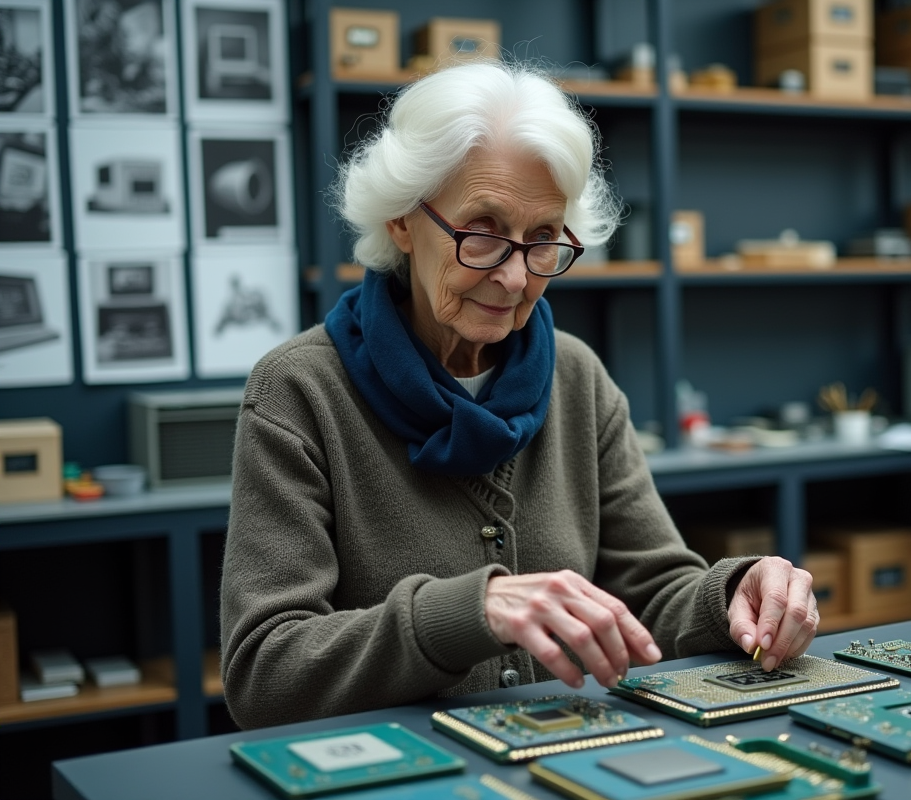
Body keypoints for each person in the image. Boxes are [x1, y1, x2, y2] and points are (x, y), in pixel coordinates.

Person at [220, 60, 818, 730]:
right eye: (482, 233)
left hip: (563, 757)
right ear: (400, 220)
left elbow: (651, 595)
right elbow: (265, 671)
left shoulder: (576, 377)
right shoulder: (299, 392)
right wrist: (468, 613)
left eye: (542, 240)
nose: (513, 278)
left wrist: (733, 595)